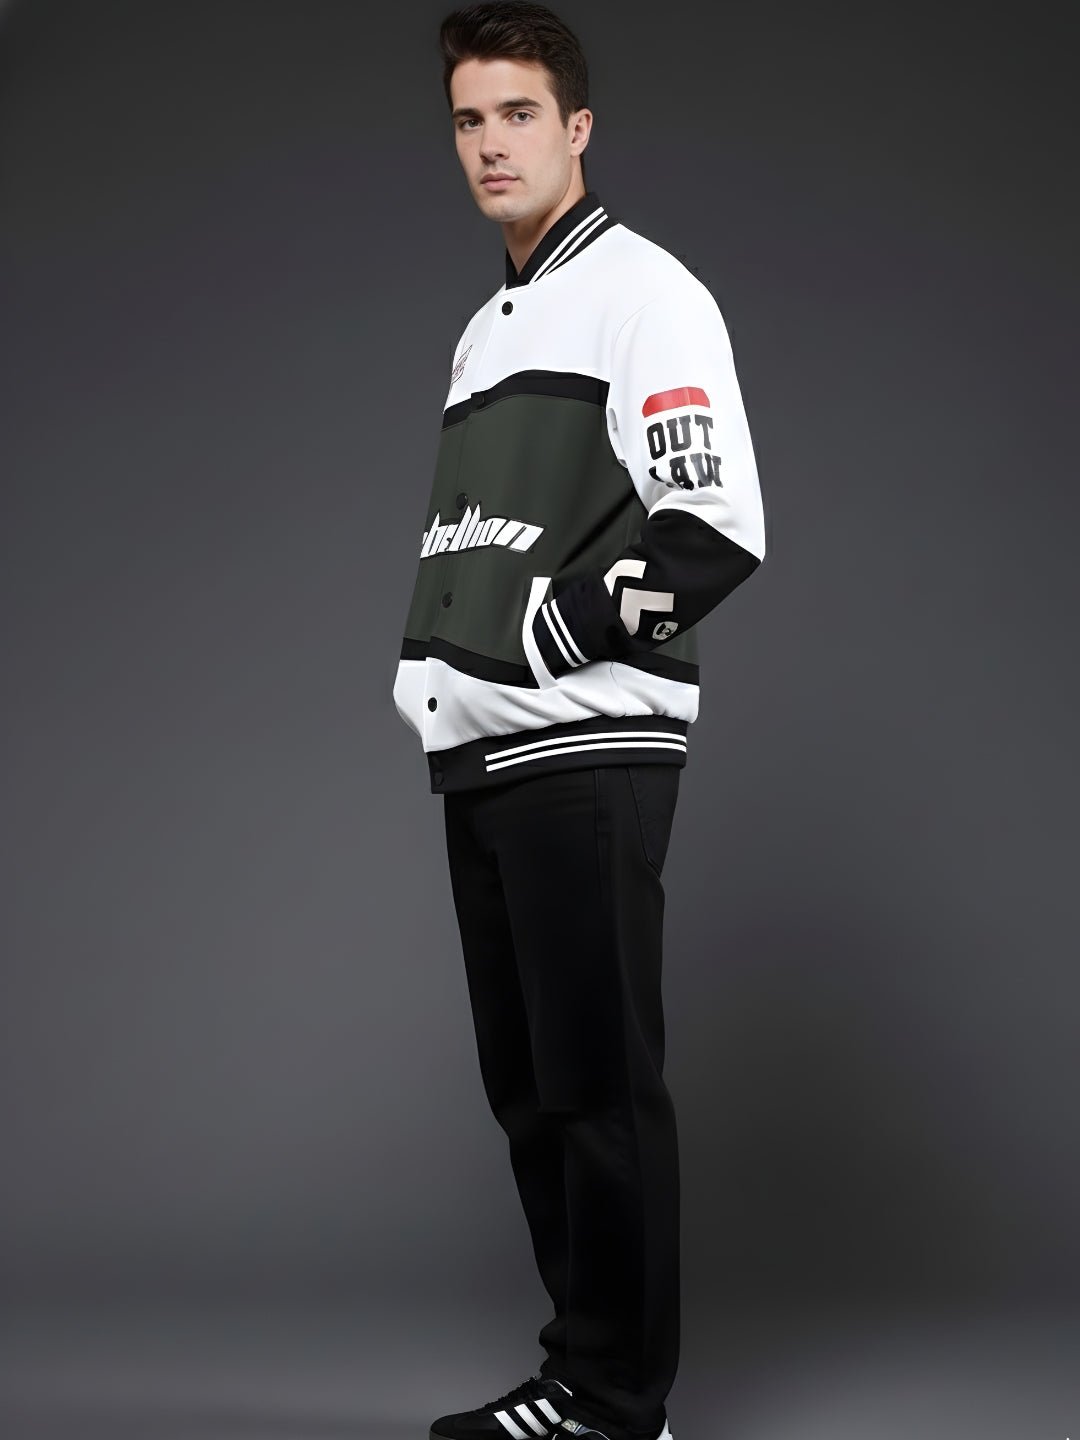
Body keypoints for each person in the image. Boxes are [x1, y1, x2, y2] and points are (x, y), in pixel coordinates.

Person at [391, 5, 767, 1438]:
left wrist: (559, 636)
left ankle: (622, 1406)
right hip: (480, 753)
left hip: (587, 745)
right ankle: (581, 1376)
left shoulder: (646, 294)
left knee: (599, 1090)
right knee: (535, 1095)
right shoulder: (483, 332)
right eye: (469, 120)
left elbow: (713, 528)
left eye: (520, 115)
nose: (492, 144)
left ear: (577, 128)